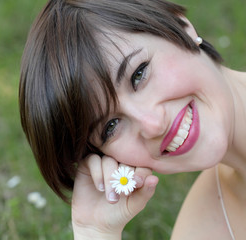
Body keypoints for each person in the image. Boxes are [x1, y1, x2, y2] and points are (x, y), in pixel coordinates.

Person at [19, 0, 246, 239]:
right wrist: (95, 231)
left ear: (182, 27)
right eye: (111, 127)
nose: (152, 124)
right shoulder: (207, 226)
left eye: (139, 74)